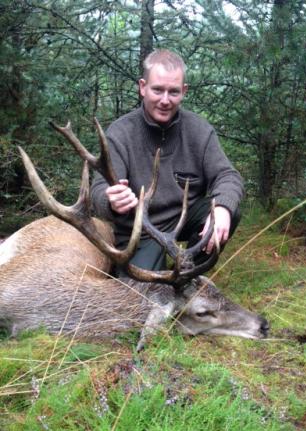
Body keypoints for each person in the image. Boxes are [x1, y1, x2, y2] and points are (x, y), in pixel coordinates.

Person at [91, 49, 244, 274]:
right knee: (140, 299)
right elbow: (99, 189)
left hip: (183, 220)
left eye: (173, 92)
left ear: (184, 91)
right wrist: (111, 200)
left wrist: (222, 208)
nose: (165, 100)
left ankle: (188, 275)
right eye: (157, 90)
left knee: (228, 210)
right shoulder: (121, 133)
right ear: (143, 87)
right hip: (140, 231)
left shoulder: (199, 130)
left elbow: (228, 176)